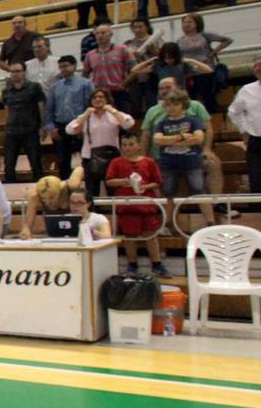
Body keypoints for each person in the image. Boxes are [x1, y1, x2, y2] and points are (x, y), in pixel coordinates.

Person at [101, 133, 172, 274]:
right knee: (129, 237)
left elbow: (157, 182)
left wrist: (145, 186)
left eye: (131, 144)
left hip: (146, 205)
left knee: (151, 235)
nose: (127, 148)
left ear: (138, 145)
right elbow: (109, 180)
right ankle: (132, 264)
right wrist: (123, 181)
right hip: (126, 206)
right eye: (124, 145)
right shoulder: (116, 162)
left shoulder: (149, 162)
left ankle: (157, 264)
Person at [152, 88, 213, 227]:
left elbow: (198, 138)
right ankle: (167, 224)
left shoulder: (193, 120)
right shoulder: (161, 123)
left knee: (200, 190)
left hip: (191, 161)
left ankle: (211, 222)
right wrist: (181, 137)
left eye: (175, 104)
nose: (171, 108)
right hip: (168, 163)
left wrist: (170, 140)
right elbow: (158, 140)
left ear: (182, 104)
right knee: (168, 193)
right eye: (168, 105)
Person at [65, 88, 135, 197]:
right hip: (90, 158)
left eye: (101, 97)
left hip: (112, 158)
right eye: (95, 97)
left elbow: (129, 123)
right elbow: (69, 130)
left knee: (113, 192)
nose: (98, 99)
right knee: (92, 193)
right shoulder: (86, 117)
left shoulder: (114, 114)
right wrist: (85, 115)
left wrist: (112, 110)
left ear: (107, 99)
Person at [2, 62, 48, 183]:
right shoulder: (6, 91)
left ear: (24, 72)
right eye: (12, 72)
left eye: (18, 71)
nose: (15, 74)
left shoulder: (34, 87)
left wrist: (43, 126)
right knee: (9, 164)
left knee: (35, 163)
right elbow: (7, 110)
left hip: (30, 130)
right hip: (12, 132)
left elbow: (41, 107)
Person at [47, 54, 93, 176]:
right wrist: (51, 127)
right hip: (60, 127)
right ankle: (64, 190)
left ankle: (88, 188)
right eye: (61, 67)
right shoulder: (55, 87)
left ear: (74, 66)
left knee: (86, 159)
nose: (63, 69)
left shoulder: (85, 84)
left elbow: (90, 106)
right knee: (63, 161)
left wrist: (83, 126)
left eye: (66, 66)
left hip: (79, 125)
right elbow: (49, 109)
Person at [177, 13, 230, 111]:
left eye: (190, 22)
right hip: (189, 72)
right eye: (184, 22)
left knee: (209, 97)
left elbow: (227, 40)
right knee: (191, 99)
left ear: (197, 23)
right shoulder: (180, 40)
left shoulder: (205, 36)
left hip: (205, 70)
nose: (186, 24)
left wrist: (213, 52)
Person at [227, 57, 261, 201]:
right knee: (257, 181)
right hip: (256, 140)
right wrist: (243, 130)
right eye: (256, 65)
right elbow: (234, 111)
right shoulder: (247, 89)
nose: (258, 68)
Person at [84, 25, 135, 110]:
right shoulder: (90, 55)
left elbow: (134, 69)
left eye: (103, 33)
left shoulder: (122, 49)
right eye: (97, 33)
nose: (100, 35)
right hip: (99, 94)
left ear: (110, 34)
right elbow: (84, 74)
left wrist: (124, 83)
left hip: (118, 92)